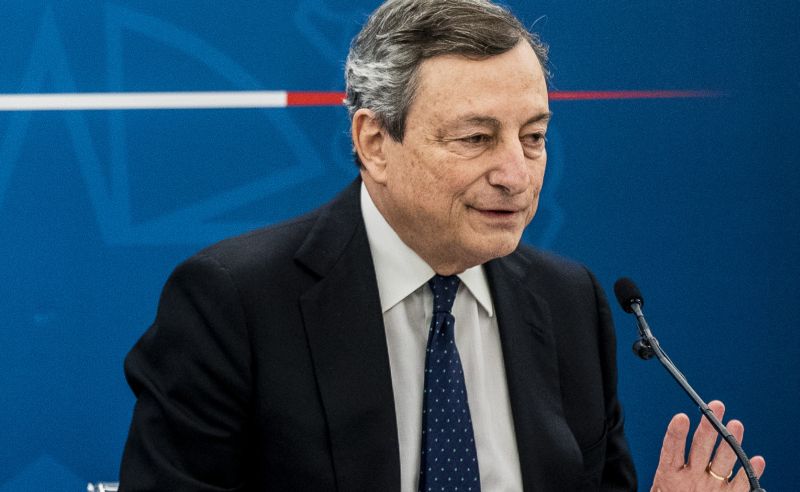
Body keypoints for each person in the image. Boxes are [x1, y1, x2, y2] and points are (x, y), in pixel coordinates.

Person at [119, 0, 765, 490]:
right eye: (476, 139)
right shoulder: (234, 305)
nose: (516, 174)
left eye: (533, 138)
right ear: (375, 142)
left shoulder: (572, 303)